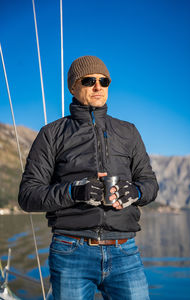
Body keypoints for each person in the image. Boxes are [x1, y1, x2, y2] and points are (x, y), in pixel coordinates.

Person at [18, 55, 159, 300]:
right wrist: (74, 192)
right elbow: (28, 195)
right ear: (73, 86)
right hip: (70, 251)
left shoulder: (128, 131)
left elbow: (150, 184)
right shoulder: (52, 134)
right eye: (89, 80)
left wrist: (135, 192)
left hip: (125, 250)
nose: (98, 87)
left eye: (104, 81)